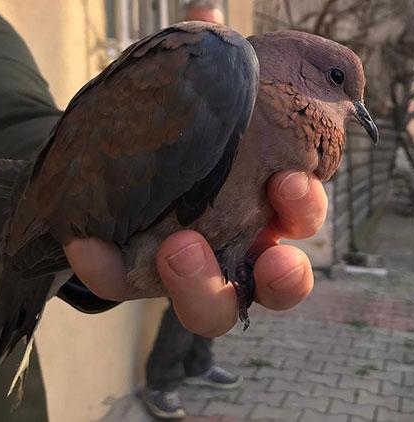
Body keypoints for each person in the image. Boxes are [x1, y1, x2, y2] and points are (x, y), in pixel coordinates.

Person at [0, 0, 324, 418]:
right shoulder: (218, 59)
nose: (205, 44)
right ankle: (167, 377)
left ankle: (190, 365)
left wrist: (86, 223)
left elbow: (14, 125)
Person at [142, 1, 242, 418]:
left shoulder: (238, 78)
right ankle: (161, 382)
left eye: (218, 32)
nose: (210, 42)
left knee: (222, 286)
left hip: (221, 206)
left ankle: (201, 364)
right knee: (185, 294)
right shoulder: (158, 74)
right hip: (178, 207)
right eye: (200, 30)